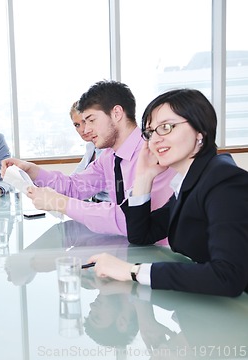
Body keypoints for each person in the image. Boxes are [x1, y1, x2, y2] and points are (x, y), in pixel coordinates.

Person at [87, 88, 248, 297]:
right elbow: (141, 235)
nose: (154, 139)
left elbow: (228, 277)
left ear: (200, 131)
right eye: (150, 132)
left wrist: (133, 271)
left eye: (166, 127)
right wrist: (143, 178)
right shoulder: (192, 180)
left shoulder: (224, 182)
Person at [1, 80, 176, 235]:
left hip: (162, 254)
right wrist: (32, 171)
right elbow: (74, 187)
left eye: (91, 120)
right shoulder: (109, 157)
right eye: (83, 123)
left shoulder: (154, 153)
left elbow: (128, 218)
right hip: (129, 247)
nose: (85, 130)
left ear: (117, 113)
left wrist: (61, 203)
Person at [70, 100, 110, 202]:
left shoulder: (110, 150)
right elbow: (74, 178)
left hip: (111, 209)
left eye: (85, 122)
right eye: (77, 125)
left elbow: (83, 187)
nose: (83, 129)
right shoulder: (91, 148)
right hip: (95, 205)